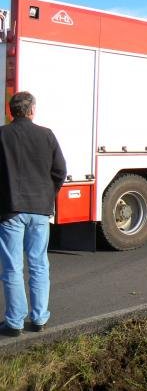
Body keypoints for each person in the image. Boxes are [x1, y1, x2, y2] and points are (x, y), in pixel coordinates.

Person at [0, 92, 66, 337]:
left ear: (10, 111)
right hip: (40, 210)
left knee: (12, 268)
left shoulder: (2, 135)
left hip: (10, 210)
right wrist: (48, 195)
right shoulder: (46, 135)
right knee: (39, 264)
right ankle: (39, 319)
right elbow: (60, 170)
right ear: (32, 111)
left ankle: (14, 322)